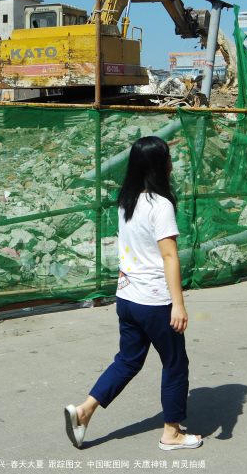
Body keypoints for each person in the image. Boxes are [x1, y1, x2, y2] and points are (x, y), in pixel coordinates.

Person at [65, 137, 200, 451]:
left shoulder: (127, 200)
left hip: (127, 299)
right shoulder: (160, 205)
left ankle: (84, 411)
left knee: (127, 361)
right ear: (158, 166)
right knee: (175, 364)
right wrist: (178, 305)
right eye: (168, 158)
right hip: (155, 302)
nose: (172, 163)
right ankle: (172, 433)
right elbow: (169, 257)